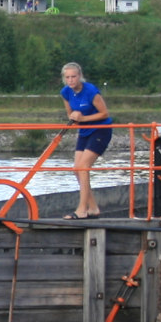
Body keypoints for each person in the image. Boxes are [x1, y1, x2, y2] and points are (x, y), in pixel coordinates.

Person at [60, 62, 113, 219]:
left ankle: (82, 210)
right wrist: (75, 117)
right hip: (84, 131)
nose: (71, 80)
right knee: (77, 169)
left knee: (83, 167)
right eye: (68, 77)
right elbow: (71, 115)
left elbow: (104, 113)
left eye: (74, 77)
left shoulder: (90, 91)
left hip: (101, 130)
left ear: (80, 76)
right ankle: (93, 208)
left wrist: (83, 118)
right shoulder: (65, 92)